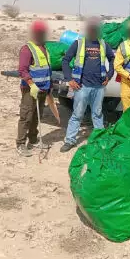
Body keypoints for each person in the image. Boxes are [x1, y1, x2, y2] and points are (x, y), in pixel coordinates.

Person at [59, 17, 116, 152]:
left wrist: (109, 75)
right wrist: (69, 79)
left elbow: (112, 59)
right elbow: (65, 61)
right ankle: (70, 140)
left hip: (99, 86)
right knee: (77, 114)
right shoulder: (78, 43)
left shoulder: (103, 44)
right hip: (82, 86)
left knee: (97, 114)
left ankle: (100, 141)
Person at [16, 20, 53, 156]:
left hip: (43, 89)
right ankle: (20, 144)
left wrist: (49, 86)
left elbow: (47, 69)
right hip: (30, 89)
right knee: (26, 116)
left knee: (36, 116)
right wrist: (31, 84)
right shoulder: (27, 49)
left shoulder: (44, 48)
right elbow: (22, 70)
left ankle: (33, 139)